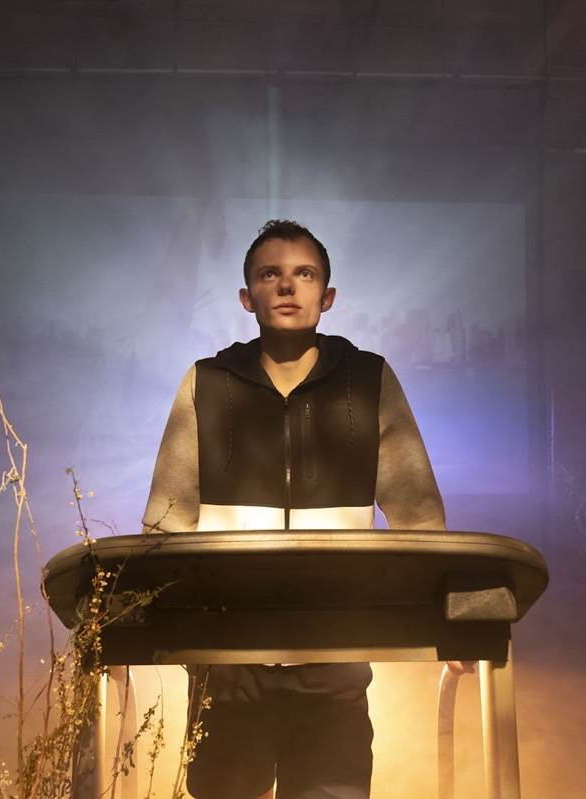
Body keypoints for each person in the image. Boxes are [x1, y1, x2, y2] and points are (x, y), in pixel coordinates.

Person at [141, 219, 445, 799]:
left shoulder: (369, 380)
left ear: (327, 296)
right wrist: (171, 632)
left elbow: (419, 516)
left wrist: (446, 618)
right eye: (269, 274)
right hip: (226, 660)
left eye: (304, 273)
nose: (286, 286)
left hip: (336, 657)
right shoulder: (206, 382)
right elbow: (165, 523)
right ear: (246, 297)